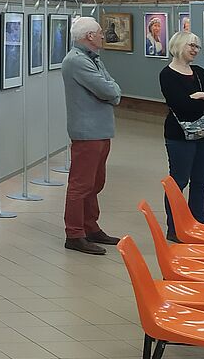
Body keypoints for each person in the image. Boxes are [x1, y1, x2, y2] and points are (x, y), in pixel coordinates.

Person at [160, 31, 204, 241]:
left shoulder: (199, 72)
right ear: (178, 45)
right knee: (179, 181)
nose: (195, 50)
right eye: (191, 45)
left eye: (197, 46)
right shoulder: (167, 75)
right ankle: (175, 228)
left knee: (201, 182)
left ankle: (199, 225)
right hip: (180, 136)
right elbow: (182, 106)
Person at [61, 16, 122, 255]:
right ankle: (75, 234)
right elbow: (108, 89)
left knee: (95, 183)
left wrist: (112, 91)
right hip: (87, 133)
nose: (103, 35)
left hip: (100, 130)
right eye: (99, 32)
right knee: (81, 184)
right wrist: (112, 92)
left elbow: (112, 86)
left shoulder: (93, 58)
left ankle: (90, 227)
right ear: (89, 36)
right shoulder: (76, 61)